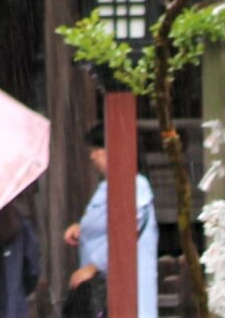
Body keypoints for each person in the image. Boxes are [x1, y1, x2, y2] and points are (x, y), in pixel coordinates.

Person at [63, 120, 157, 318]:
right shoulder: (108, 186)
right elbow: (106, 224)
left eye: (99, 148)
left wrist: (93, 266)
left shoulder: (135, 185)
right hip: (106, 289)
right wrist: (81, 228)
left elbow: (126, 232)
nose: (93, 155)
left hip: (123, 286)